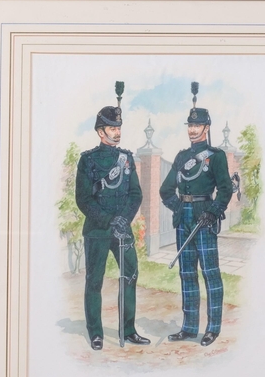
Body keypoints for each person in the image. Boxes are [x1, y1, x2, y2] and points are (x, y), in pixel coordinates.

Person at [75, 81, 150, 351]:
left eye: (119, 128)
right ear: (100, 131)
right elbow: (83, 199)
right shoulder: (88, 160)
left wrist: (123, 220)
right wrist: (109, 220)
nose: (117, 133)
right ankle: (95, 332)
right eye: (112, 128)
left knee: (130, 275)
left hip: (122, 228)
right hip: (97, 230)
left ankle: (128, 330)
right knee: (94, 281)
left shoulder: (126, 159)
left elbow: (135, 194)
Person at [160, 82, 233, 347]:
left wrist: (213, 212)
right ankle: (189, 327)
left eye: (197, 125)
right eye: (190, 125)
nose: (192, 130)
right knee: (187, 273)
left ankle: (213, 328)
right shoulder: (181, 157)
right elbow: (165, 190)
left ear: (206, 128)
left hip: (205, 216)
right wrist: (179, 208)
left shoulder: (216, 156)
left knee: (210, 273)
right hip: (185, 217)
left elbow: (225, 190)